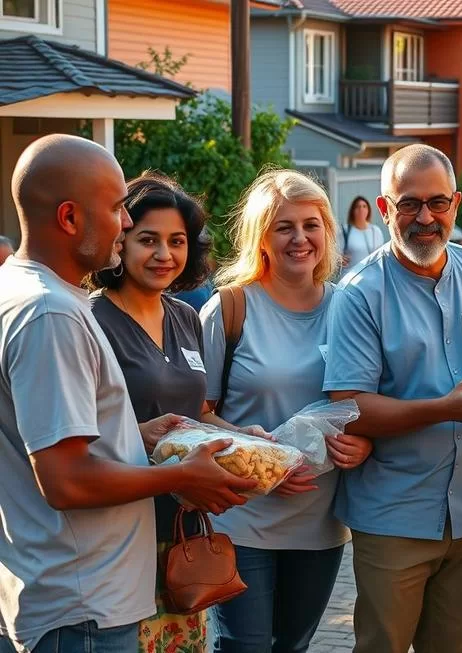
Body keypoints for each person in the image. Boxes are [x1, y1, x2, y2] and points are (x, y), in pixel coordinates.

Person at [0, 134, 254, 653]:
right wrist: (183, 475)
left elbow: (46, 441)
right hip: (82, 603)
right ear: (70, 218)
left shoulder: (26, 291)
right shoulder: (53, 313)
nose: (124, 224)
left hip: (77, 593)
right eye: (117, 210)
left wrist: (135, 435)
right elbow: (65, 481)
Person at [323, 144, 462, 653]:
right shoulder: (360, 293)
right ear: (384, 209)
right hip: (395, 516)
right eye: (408, 204)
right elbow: (349, 406)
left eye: (437, 203)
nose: (424, 218)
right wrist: (445, 408)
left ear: (456, 204)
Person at [86, 172, 272, 652]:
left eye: (177, 241)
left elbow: (193, 416)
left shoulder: (185, 316)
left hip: (185, 526)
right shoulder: (91, 321)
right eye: (148, 240)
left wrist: (242, 437)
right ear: (120, 242)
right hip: (125, 530)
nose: (164, 254)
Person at [201, 169, 374, 652]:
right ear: (262, 239)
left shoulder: (350, 309)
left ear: (327, 232)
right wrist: (256, 453)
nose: (300, 238)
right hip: (241, 515)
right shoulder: (230, 308)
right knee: (245, 647)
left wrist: (365, 442)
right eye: (284, 227)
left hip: (320, 522)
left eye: (310, 225)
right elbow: (194, 415)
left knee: (292, 647)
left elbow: (367, 404)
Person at [340, 195, 385, 274]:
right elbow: (336, 255)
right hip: (350, 277)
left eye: (364, 206)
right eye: (357, 207)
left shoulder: (375, 231)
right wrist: (339, 259)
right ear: (352, 211)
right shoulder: (345, 230)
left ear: (368, 210)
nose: (361, 209)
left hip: (371, 276)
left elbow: (381, 255)